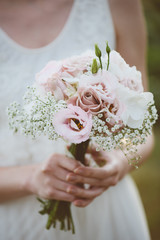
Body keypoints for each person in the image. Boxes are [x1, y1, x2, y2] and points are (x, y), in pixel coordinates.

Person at [0, 0, 153, 239]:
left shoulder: (119, 4)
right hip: (16, 219)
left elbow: (142, 126)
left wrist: (119, 162)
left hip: (105, 209)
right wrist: (30, 178)